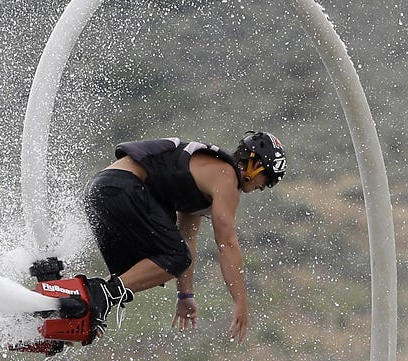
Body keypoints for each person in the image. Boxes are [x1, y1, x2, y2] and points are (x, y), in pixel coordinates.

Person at [82, 131, 286, 342]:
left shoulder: (203, 181)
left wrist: (185, 295)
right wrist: (241, 303)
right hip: (120, 187)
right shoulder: (227, 177)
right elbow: (226, 244)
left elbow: (187, 239)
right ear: (255, 164)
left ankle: (76, 305)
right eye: (268, 178)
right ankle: (97, 296)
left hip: (100, 190)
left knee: (137, 271)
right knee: (171, 258)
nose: (264, 187)